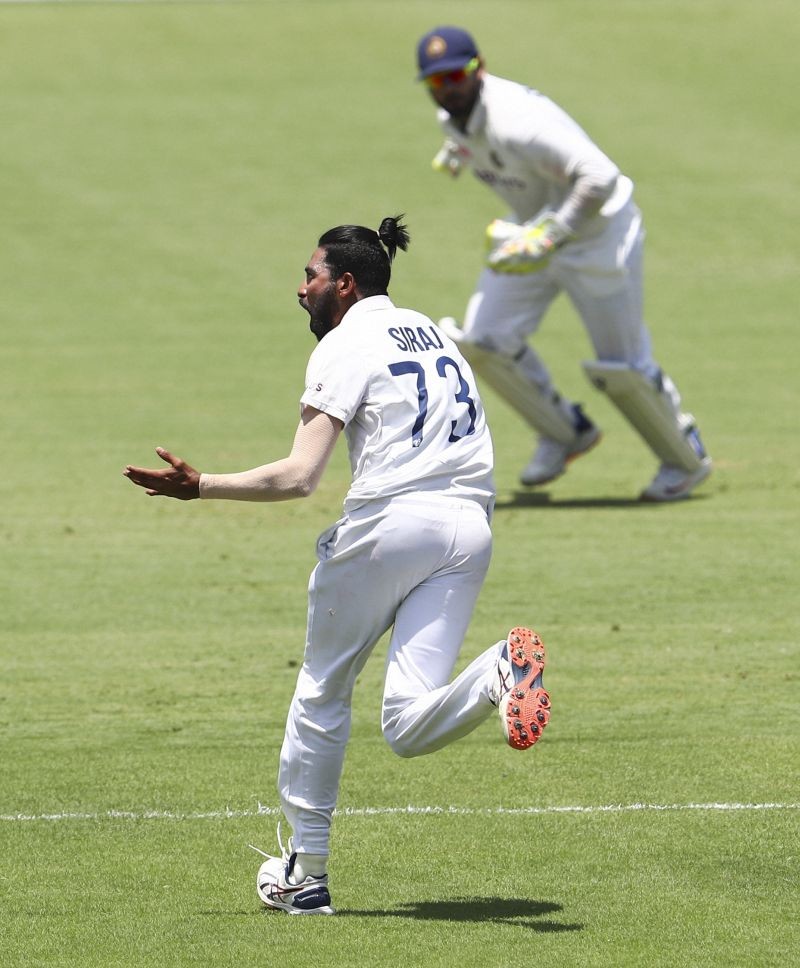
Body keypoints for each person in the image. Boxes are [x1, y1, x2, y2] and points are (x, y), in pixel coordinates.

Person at [124, 216, 551, 916]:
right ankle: (499, 671)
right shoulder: (436, 333)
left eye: (311, 276)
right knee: (407, 725)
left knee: (322, 693)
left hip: (391, 526)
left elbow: (299, 476)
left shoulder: (346, 344)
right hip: (469, 528)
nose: (302, 289)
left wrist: (201, 486)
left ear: (344, 284)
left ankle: (306, 875)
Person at [416, 26, 712, 501]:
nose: (447, 87)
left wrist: (555, 233)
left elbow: (601, 176)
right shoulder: (453, 117)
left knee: (621, 368)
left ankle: (685, 463)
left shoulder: (520, 120)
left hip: (598, 237)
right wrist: (459, 152)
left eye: (455, 75)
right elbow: (478, 143)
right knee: (482, 342)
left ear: (480, 68)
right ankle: (564, 433)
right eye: (436, 81)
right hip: (531, 232)